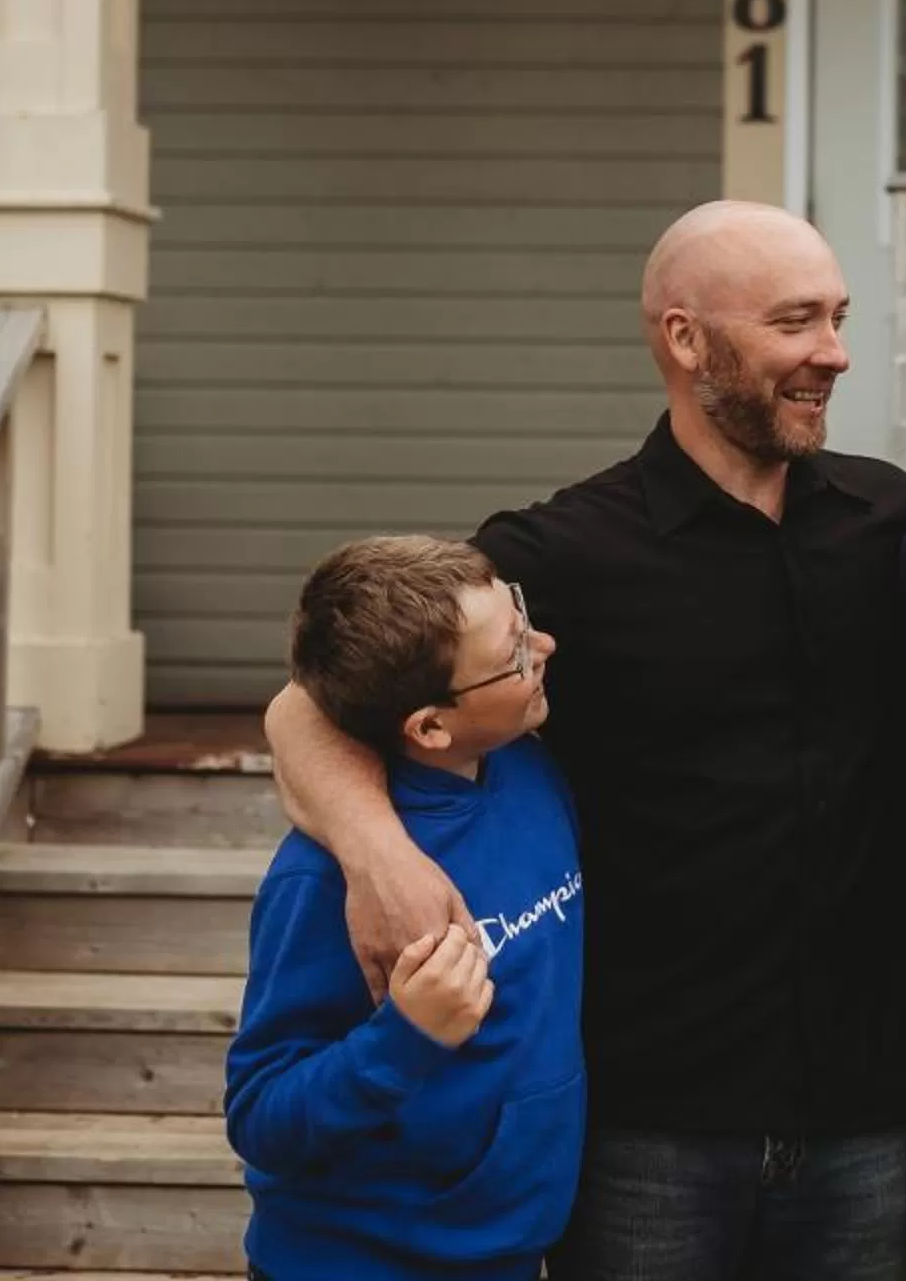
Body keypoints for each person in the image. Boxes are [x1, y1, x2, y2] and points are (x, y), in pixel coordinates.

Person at [262, 201, 906, 1281]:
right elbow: (311, 704)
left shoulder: (903, 527)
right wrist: (379, 856)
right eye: (797, 321)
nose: (834, 352)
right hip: (646, 1131)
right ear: (685, 338)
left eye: (839, 318)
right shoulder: (558, 555)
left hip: (864, 1116)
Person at [224, 535, 585, 1281]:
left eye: (521, 614)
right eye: (515, 653)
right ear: (428, 726)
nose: (544, 645)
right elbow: (260, 1117)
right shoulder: (320, 882)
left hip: (507, 1255)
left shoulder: (530, 771)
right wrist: (406, 1039)